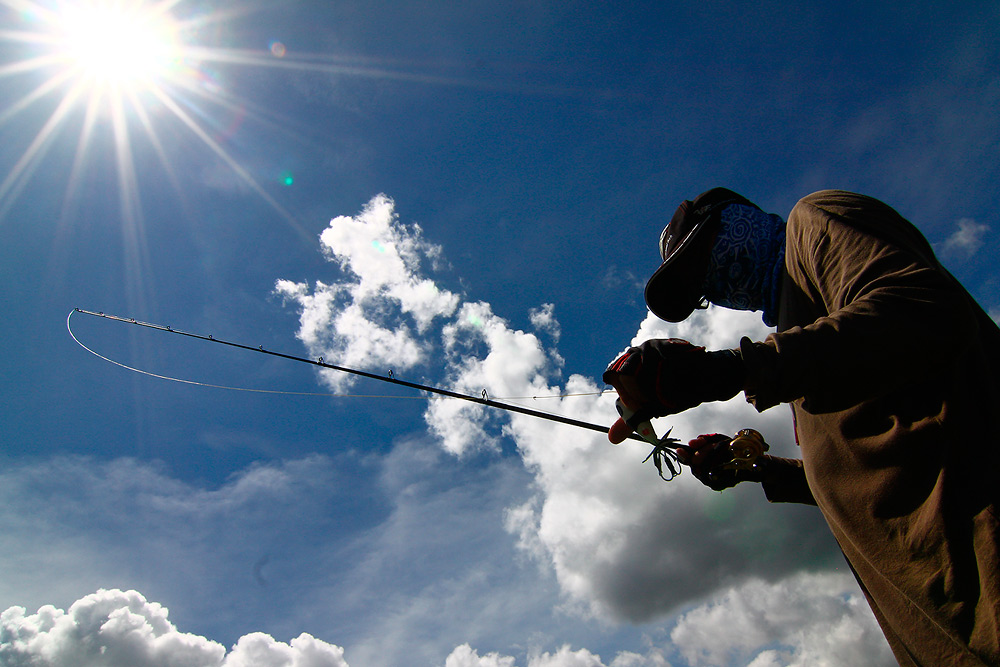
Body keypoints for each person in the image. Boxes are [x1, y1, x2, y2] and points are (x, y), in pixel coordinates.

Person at [602, 188, 1000, 666]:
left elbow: (929, 309)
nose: (714, 283)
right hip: (944, 629)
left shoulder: (815, 221)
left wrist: (735, 368)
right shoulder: (800, 341)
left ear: (737, 219)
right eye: (703, 289)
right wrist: (757, 469)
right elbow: (860, 474)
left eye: (703, 256)